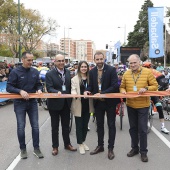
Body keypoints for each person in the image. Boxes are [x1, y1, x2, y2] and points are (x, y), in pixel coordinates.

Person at [120, 54, 158, 162]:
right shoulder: (126, 74)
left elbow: (155, 86)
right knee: (133, 129)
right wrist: (123, 91)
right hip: (131, 105)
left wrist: (146, 88)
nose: (132, 65)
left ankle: (143, 152)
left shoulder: (147, 72)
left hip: (143, 106)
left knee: (142, 129)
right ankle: (134, 148)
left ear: (139, 62)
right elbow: (122, 87)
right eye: (130, 63)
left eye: (134, 62)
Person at [6, 51, 44, 159]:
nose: (31, 62)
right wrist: (20, 91)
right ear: (22, 60)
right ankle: (23, 149)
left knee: (35, 126)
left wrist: (39, 90)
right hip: (19, 103)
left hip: (32, 103)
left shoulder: (35, 72)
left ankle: (36, 148)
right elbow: (9, 87)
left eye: (32, 60)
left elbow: (39, 84)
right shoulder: (15, 72)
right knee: (21, 127)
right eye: (29, 60)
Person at [84, 51, 119, 160]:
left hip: (110, 103)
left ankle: (110, 149)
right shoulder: (92, 71)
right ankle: (100, 146)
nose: (99, 61)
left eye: (101, 59)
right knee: (99, 126)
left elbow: (114, 86)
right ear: (94, 60)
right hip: (98, 103)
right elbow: (91, 86)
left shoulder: (111, 70)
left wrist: (102, 93)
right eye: (97, 59)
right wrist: (86, 91)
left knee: (111, 125)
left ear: (104, 59)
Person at [45, 54, 77, 156]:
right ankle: (55, 147)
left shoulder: (68, 72)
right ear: (55, 62)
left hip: (66, 104)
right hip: (54, 104)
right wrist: (56, 92)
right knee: (55, 127)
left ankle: (67, 144)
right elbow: (49, 88)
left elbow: (70, 86)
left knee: (66, 126)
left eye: (63, 61)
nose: (61, 63)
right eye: (59, 61)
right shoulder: (49, 74)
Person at [71, 61, 94, 155]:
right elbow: (73, 90)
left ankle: (83, 141)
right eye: (82, 67)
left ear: (87, 68)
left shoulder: (90, 78)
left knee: (85, 125)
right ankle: (80, 144)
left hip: (88, 105)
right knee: (79, 125)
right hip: (78, 104)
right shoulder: (74, 79)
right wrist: (75, 95)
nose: (84, 68)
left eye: (85, 67)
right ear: (79, 68)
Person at [142, 62, 169, 133]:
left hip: (152, 93)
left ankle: (163, 127)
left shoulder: (154, 72)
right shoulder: (142, 72)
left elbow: (163, 81)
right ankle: (162, 126)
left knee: (159, 108)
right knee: (158, 108)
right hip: (146, 93)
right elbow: (164, 81)